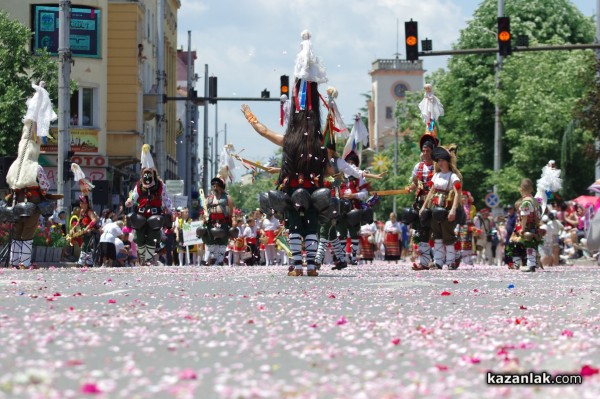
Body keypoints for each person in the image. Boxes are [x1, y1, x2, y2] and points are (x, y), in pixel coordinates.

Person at [3, 82, 58, 269]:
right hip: (31, 204)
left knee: (16, 232)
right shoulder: (36, 167)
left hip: (15, 204)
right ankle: (24, 263)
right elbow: (45, 186)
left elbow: (9, 182)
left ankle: (13, 260)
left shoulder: (13, 165)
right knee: (27, 233)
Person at [125, 144, 173, 265]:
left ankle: (148, 258)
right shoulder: (139, 185)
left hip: (155, 215)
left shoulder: (161, 185)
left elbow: (166, 199)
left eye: (149, 173)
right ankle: (143, 257)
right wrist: (129, 201)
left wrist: (171, 211)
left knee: (152, 236)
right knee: (139, 238)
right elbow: (134, 196)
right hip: (141, 215)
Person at [420, 145, 462, 270]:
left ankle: (450, 261)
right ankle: (438, 262)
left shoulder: (453, 176)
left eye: (441, 160)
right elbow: (431, 192)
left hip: (446, 208)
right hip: (434, 207)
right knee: (436, 233)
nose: (439, 163)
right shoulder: (436, 175)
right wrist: (423, 207)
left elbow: (458, 193)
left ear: (447, 161)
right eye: (438, 161)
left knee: (447, 233)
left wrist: (453, 209)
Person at [406, 133, 438, 271]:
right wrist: (410, 188)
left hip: (435, 202)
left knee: (437, 231)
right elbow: (414, 182)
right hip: (421, 203)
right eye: (423, 151)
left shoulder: (438, 165)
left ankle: (441, 261)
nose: (425, 154)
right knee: (421, 231)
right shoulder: (418, 166)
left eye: (428, 151)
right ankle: (424, 263)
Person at [506, 178, 543, 272]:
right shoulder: (536, 201)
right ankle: (532, 264)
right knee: (531, 245)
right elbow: (539, 215)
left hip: (526, 226)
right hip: (534, 226)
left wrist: (522, 228)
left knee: (513, 243)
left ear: (522, 189)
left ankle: (520, 264)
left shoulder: (526, 201)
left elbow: (524, 216)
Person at [203, 176, 235, 265]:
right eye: (213, 186)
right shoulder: (209, 198)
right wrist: (204, 216)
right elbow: (205, 209)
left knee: (223, 240)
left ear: (221, 187)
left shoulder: (227, 197)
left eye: (216, 186)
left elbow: (232, 209)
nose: (215, 187)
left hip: (223, 220)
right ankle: (212, 257)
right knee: (210, 239)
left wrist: (233, 219)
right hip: (211, 221)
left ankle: (220, 259)